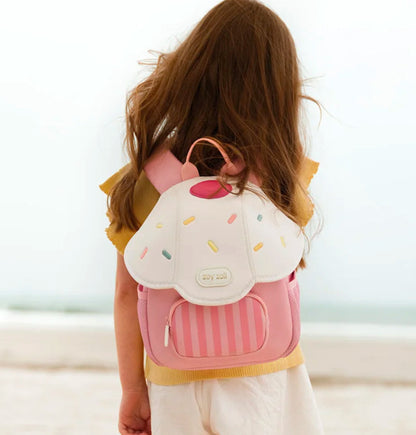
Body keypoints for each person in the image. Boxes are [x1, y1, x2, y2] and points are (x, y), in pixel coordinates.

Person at [99, 1, 324, 433]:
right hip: (264, 373)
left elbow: (128, 293)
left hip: (174, 377)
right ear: (277, 87)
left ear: (190, 72)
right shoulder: (282, 174)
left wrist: (132, 390)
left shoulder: (146, 180)